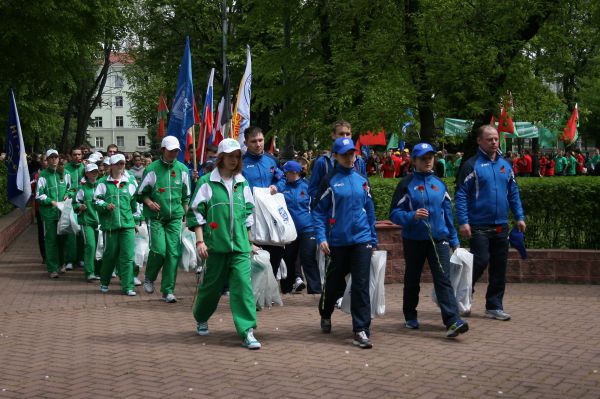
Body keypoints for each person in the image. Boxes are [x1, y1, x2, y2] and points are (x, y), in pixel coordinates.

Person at [187, 138, 261, 350]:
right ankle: (201, 316)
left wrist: (250, 242)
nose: (233, 160)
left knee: (243, 286)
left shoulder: (242, 183)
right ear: (220, 157)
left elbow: (248, 214)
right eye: (230, 156)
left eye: (237, 156)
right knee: (212, 288)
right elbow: (195, 213)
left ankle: (247, 330)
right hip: (215, 247)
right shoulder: (206, 182)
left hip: (239, 247)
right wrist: (200, 241)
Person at [389, 143, 468, 338]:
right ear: (414, 161)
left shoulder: (439, 184)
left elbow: (447, 213)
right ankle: (410, 315)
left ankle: (452, 320)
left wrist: (454, 239)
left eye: (430, 157)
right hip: (414, 240)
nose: (428, 161)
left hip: (439, 238)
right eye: (423, 158)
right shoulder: (406, 184)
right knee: (412, 279)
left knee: (443, 279)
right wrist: (412, 216)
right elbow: (394, 214)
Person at [455, 125, 526, 321]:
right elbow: (461, 195)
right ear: (479, 141)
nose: (494, 142)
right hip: (478, 225)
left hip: (501, 225)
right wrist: (464, 221)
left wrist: (519, 216)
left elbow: (513, 193)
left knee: (499, 266)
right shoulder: (471, 165)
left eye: (496, 139)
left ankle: (494, 306)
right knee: (480, 260)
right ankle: (463, 293)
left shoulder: (505, 165)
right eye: (489, 139)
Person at [313, 137, 377, 349]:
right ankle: (326, 312)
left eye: (352, 154)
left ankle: (361, 329)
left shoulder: (362, 181)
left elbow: (370, 211)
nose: (350, 158)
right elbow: (318, 212)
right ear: (336, 156)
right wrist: (322, 237)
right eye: (345, 154)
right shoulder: (329, 181)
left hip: (362, 240)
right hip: (337, 242)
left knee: (360, 284)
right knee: (333, 284)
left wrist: (373, 238)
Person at [137, 136, 191, 303]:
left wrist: (188, 218)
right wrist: (149, 202)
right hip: (156, 218)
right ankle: (149, 277)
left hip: (175, 217)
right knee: (159, 250)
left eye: (176, 151)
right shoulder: (152, 169)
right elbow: (140, 193)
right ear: (163, 150)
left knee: (173, 253)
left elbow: (186, 196)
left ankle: (168, 291)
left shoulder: (182, 170)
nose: (174, 153)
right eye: (171, 150)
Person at [242, 126, 285, 277]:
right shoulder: (240, 162)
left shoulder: (272, 160)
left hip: (271, 213)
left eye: (260, 140)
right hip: (251, 215)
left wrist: (277, 186)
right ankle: (252, 290)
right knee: (255, 252)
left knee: (276, 249)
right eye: (253, 141)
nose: (258, 144)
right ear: (246, 142)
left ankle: (271, 283)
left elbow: (282, 179)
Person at [94, 154, 140, 295]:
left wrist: (136, 220)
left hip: (127, 225)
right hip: (110, 225)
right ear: (112, 166)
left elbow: (136, 203)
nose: (121, 166)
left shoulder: (131, 182)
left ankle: (128, 287)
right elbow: (96, 200)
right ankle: (104, 282)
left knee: (127, 256)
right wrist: (106, 205)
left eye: (123, 163)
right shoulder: (102, 182)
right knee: (110, 255)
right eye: (118, 164)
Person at [276, 160, 321, 295]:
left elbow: (316, 207)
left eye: (287, 173)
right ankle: (286, 288)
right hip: (290, 230)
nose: (285, 175)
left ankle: (315, 289)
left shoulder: (307, 186)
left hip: (308, 228)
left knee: (308, 257)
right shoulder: (282, 186)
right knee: (288, 258)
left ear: (294, 172)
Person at [308, 120, 366, 203]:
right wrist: (328, 203)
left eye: (348, 134)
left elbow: (364, 186)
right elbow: (312, 189)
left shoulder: (359, 161)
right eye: (341, 134)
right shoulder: (323, 162)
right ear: (333, 135)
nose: (345, 137)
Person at [35, 149, 71, 278]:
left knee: (63, 239)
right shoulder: (43, 175)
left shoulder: (65, 173)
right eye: (51, 157)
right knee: (51, 240)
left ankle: (62, 264)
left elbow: (71, 189)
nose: (54, 159)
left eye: (56, 157)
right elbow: (39, 195)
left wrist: (68, 195)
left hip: (63, 213)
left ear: (59, 159)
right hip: (49, 213)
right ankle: (52, 268)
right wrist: (52, 202)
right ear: (47, 160)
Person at [74, 163, 101, 281]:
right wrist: (80, 206)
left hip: (101, 223)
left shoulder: (102, 186)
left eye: (96, 171)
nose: (94, 174)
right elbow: (75, 203)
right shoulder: (82, 187)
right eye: (91, 172)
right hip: (87, 222)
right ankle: (89, 272)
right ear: (87, 173)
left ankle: (99, 271)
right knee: (90, 245)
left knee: (101, 247)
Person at [63, 146, 86, 270]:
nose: (77, 157)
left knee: (82, 232)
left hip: (83, 204)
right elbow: (64, 186)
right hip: (70, 204)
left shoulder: (85, 168)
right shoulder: (66, 169)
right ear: (70, 156)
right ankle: (70, 260)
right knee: (71, 232)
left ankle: (81, 258)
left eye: (79, 154)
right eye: (75, 155)